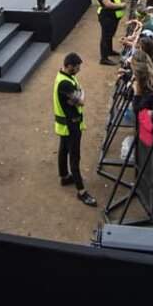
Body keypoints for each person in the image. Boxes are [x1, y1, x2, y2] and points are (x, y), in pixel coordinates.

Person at [53, 52, 97, 206]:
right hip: (71, 125)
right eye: (77, 67)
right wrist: (81, 94)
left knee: (64, 150)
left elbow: (77, 98)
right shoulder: (65, 84)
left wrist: (78, 96)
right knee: (74, 156)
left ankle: (64, 176)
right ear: (69, 66)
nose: (79, 70)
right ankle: (81, 191)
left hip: (66, 123)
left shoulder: (65, 77)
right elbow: (81, 101)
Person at [96, 0, 126, 65]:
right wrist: (121, 5)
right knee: (105, 37)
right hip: (106, 17)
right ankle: (104, 58)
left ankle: (109, 51)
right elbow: (108, 4)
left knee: (110, 35)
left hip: (114, 17)